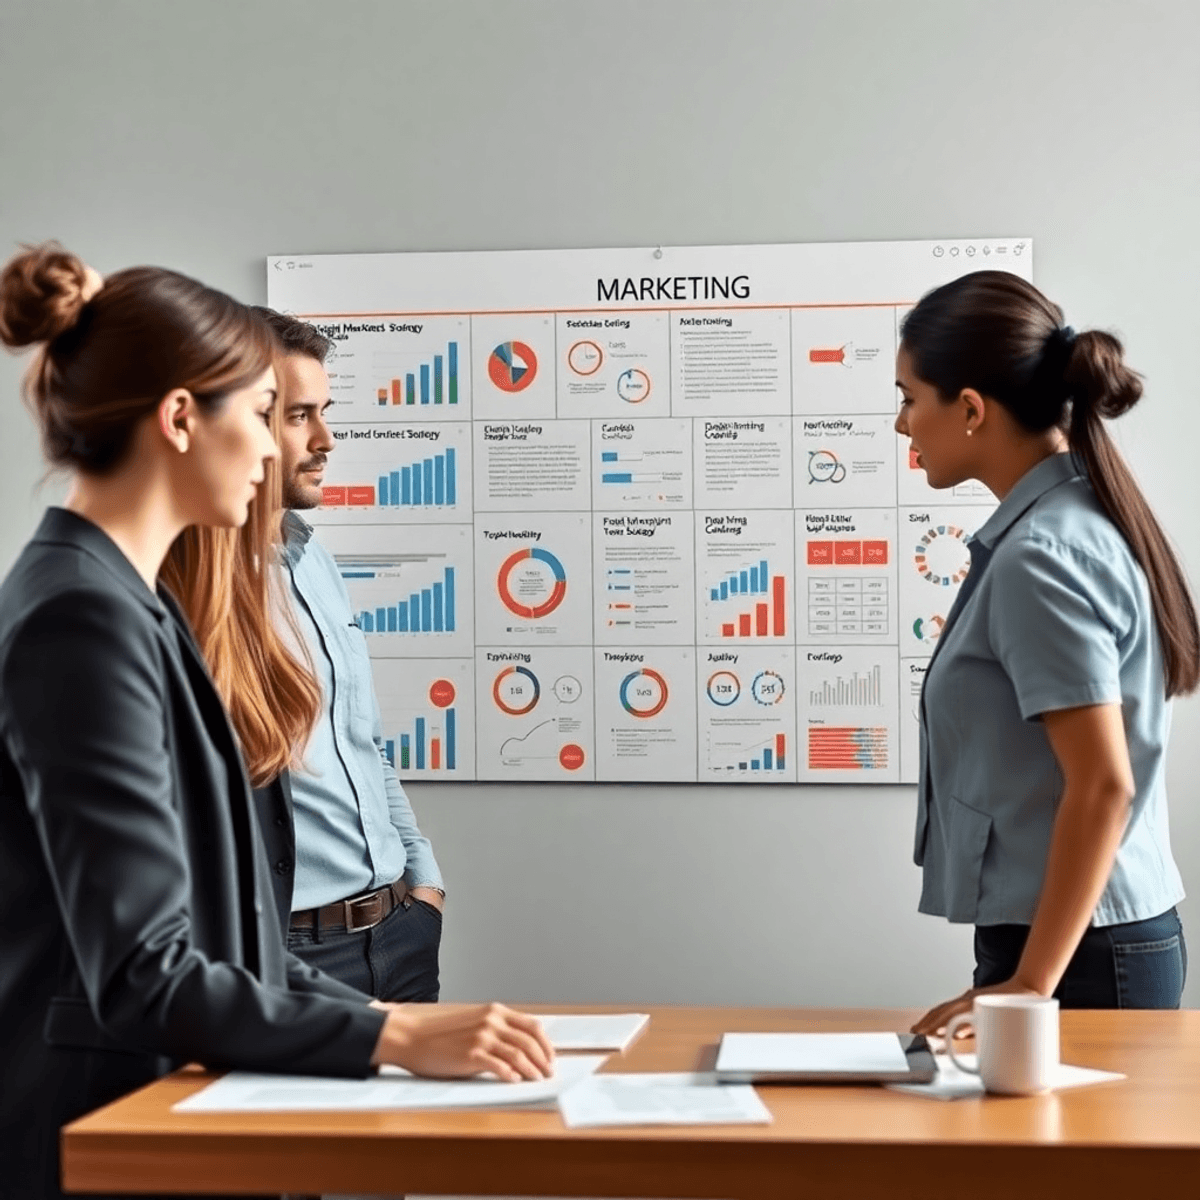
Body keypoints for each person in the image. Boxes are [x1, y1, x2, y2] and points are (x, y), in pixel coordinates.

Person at [0, 244, 552, 1200]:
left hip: (171, 1107)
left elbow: (217, 941)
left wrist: (388, 1019)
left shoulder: (127, 601)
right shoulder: (79, 614)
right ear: (180, 419)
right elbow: (146, 974)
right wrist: (392, 1031)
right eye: (263, 415)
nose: (273, 448)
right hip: (108, 1129)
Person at [894, 270, 1198, 1035]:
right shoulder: (1063, 525)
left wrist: (1031, 985)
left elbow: (1101, 784)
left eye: (907, 397)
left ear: (968, 409)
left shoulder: (1041, 553)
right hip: (1074, 936)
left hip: (1079, 951)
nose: (901, 425)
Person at [244, 306, 445, 1003]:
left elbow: (363, 741)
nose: (326, 440)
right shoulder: (187, 592)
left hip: (399, 932)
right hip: (290, 955)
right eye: (300, 416)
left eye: (323, 412)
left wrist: (424, 881)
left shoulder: (313, 558)